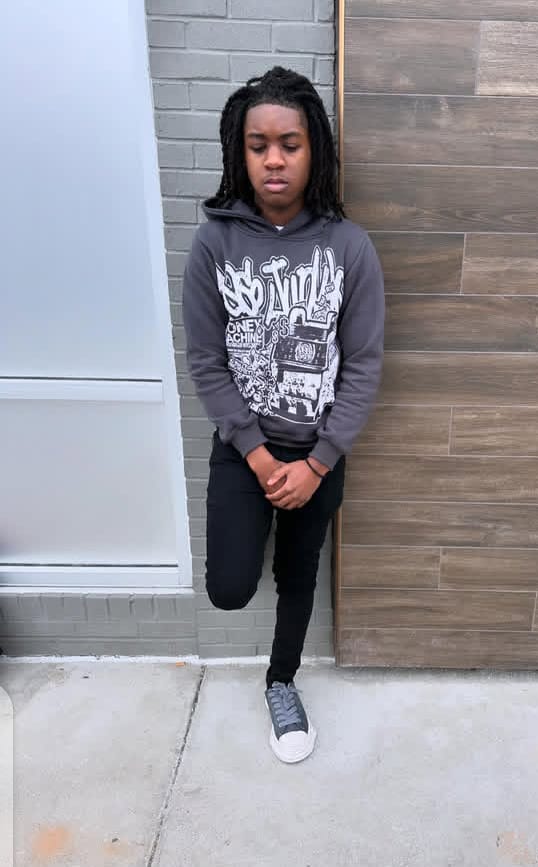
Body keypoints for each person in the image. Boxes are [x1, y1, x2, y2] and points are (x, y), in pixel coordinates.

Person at [182, 66, 385, 763]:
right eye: (258, 145)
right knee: (229, 587)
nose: (274, 159)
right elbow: (206, 360)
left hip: (318, 452)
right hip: (246, 449)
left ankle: (281, 680)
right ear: (238, 152)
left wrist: (318, 462)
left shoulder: (349, 247)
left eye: (290, 144)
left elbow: (362, 364)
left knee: (299, 577)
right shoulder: (214, 244)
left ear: (313, 150)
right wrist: (260, 456)